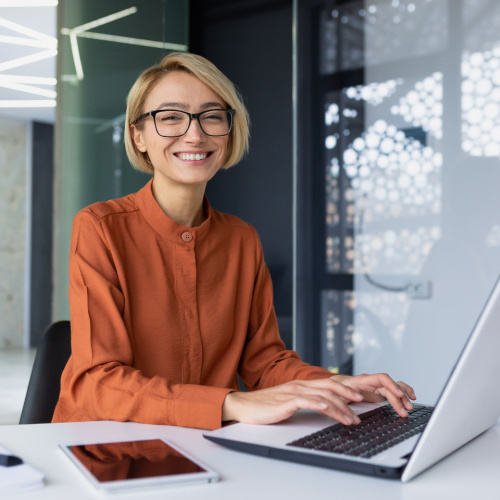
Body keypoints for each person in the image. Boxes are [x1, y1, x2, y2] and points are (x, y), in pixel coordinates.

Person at [52, 52, 416, 430]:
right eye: (171, 117)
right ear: (138, 135)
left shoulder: (241, 239)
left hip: (209, 449)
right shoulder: (100, 228)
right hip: (106, 450)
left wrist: (336, 385)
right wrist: (231, 403)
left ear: (229, 131)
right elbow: (99, 382)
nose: (195, 134)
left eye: (211, 116)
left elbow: (265, 363)